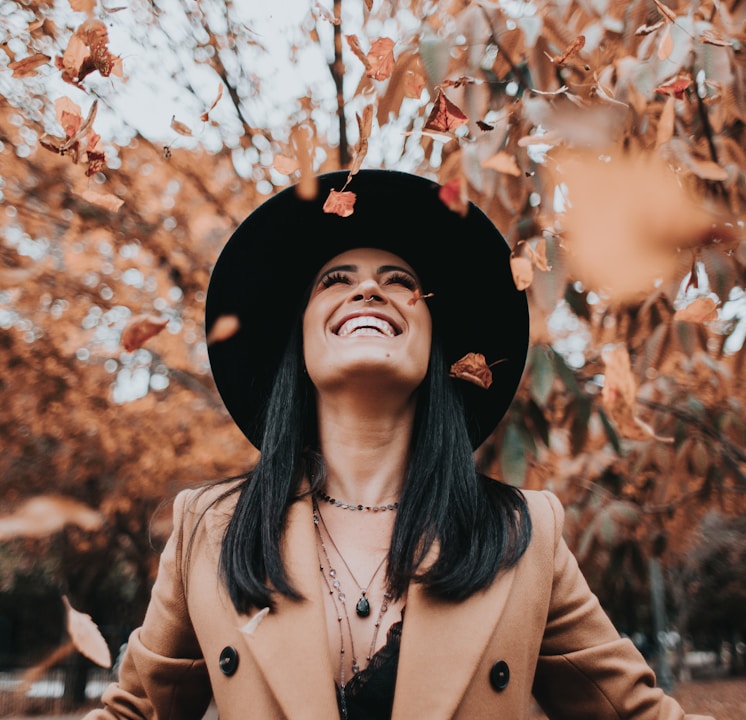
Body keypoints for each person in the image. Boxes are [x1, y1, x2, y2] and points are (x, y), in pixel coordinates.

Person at [84, 170, 713, 719]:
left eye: (398, 281)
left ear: (436, 346)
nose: (368, 291)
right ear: (297, 340)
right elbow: (135, 711)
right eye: (335, 279)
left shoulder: (524, 534)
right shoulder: (210, 529)